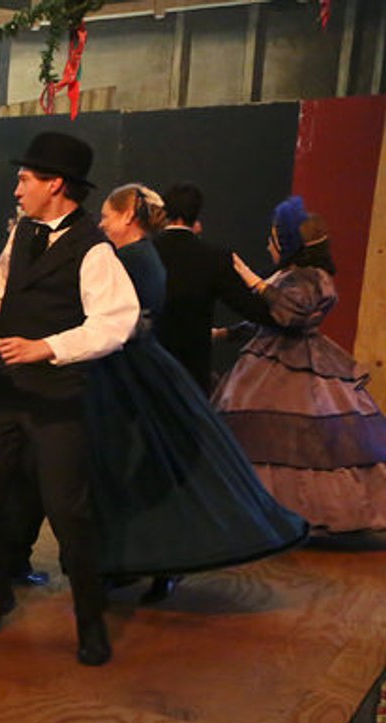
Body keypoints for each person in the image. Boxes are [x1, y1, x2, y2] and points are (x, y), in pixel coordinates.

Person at [68, 184, 308, 603]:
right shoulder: (207, 257)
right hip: (179, 379)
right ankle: (154, 564)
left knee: (129, 471)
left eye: (108, 214)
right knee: (173, 473)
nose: (102, 222)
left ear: (129, 215)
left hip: (131, 376)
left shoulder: (136, 257)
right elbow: (257, 311)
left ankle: (134, 562)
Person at [0, 132, 139, 667]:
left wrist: (47, 347)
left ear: (55, 184)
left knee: (69, 514)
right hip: (0, 392)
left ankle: (90, 624)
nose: (16, 188)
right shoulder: (22, 232)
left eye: (25, 179)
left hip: (58, 399)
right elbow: (11, 288)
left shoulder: (94, 249)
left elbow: (116, 322)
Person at [212, 197, 386, 533]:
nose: (268, 244)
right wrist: (224, 333)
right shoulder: (289, 274)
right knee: (257, 434)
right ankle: (254, 511)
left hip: (295, 362)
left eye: (274, 238)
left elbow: (290, 315)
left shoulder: (313, 278)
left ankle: (295, 512)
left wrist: (251, 279)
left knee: (299, 439)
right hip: (266, 354)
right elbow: (267, 320)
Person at [152, 182, 269, 393]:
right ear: (196, 215)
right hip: (192, 369)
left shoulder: (146, 253)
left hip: (149, 363)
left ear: (165, 211)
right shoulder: (215, 259)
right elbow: (252, 308)